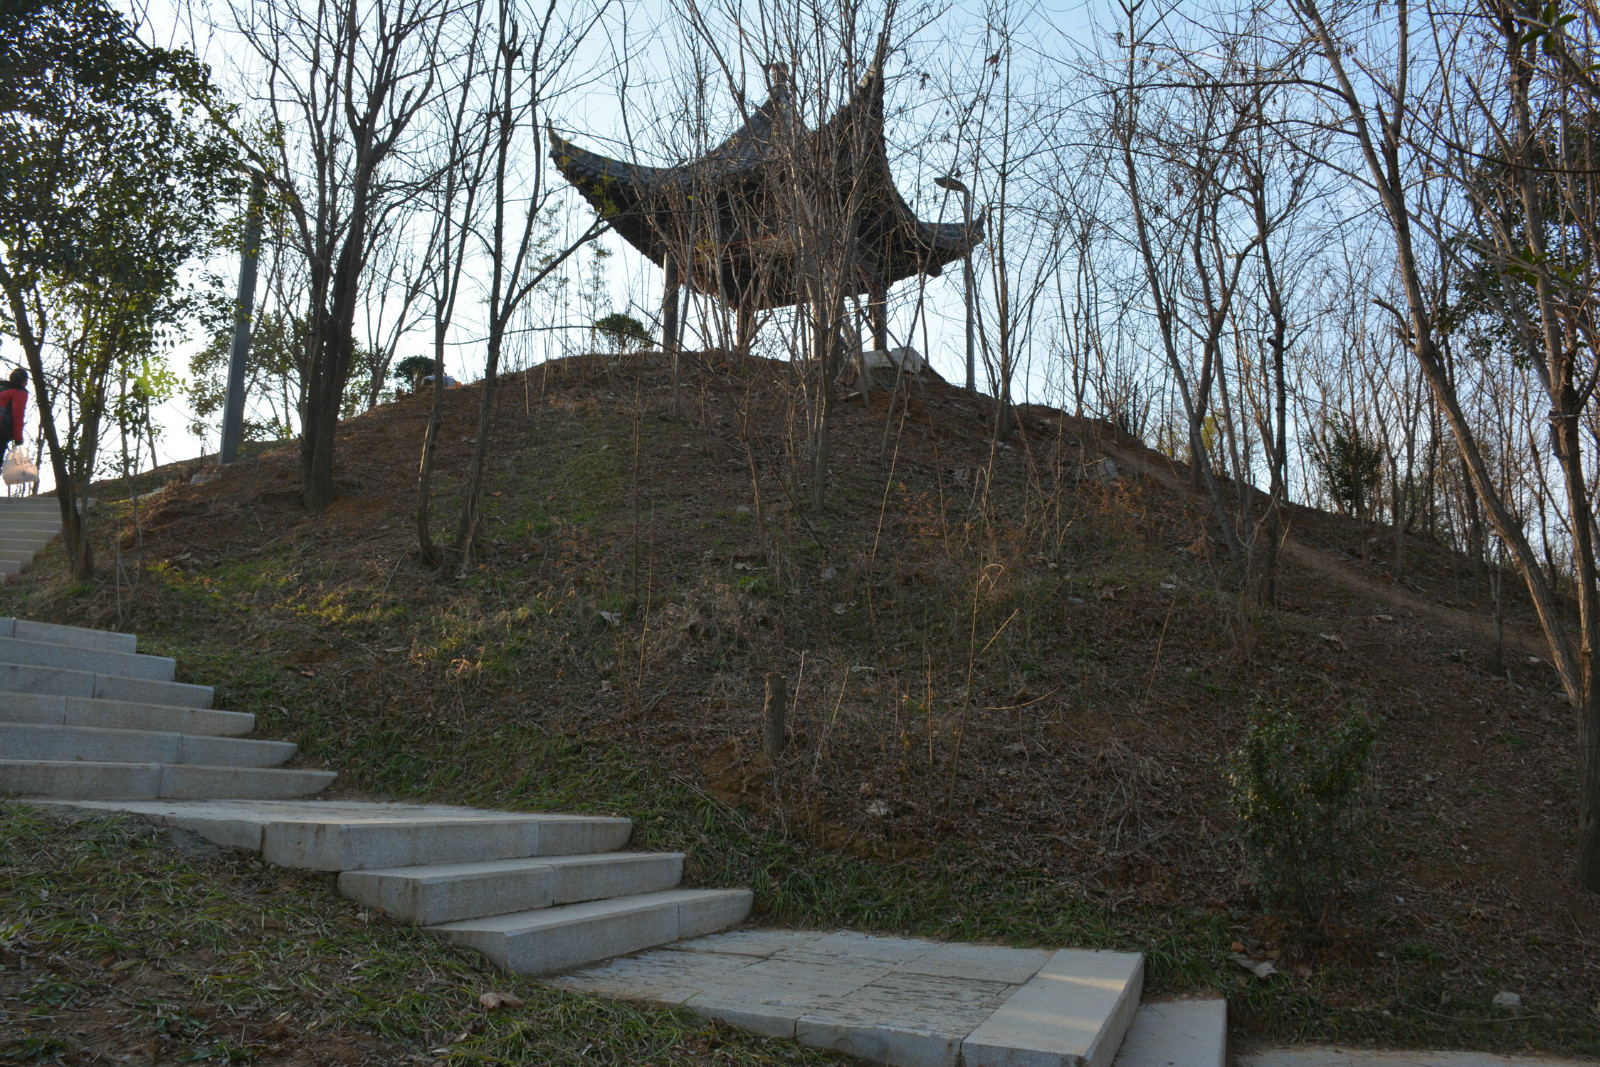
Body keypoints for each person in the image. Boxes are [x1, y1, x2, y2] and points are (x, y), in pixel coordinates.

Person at [0, 368, 27, 466]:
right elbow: (17, 416)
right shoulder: (19, 392)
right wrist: (18, 440)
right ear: (24, 381)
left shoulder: (2, 387)